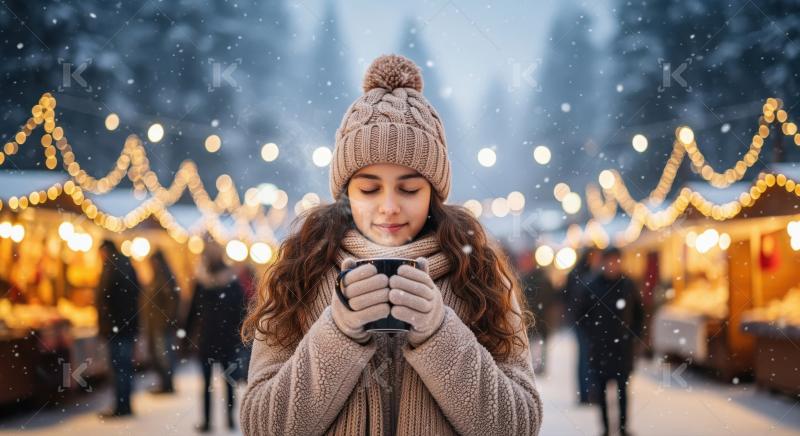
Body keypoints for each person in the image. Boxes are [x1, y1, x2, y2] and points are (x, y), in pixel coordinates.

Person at [239, 54, 543, 435]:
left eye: (409, 188)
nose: (388, 206)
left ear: (433, 192)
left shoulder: (478, 273)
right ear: (345, 192)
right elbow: (263, 425)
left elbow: (517, 425)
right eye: (369, 188)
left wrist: (438, 331)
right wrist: (338, 333)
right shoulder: (300, 272)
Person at [578, 247, 644, 436]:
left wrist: (634, 335)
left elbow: (640, 313)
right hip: (600, 349)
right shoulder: (593, 285)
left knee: (623, 390)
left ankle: (623, 428)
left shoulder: (628, 285)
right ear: (603, 262)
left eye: (616, 261)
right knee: (602, 392)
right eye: (609, 261)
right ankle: (606, 429)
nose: (612, 265)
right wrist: (592, 335)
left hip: (623, 348)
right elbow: (581, 315)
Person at [185, 240, 246, 433]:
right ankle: (229, 419)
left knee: (206, 384)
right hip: (227, 339)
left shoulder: (201, 282)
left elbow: (192, 313)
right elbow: (242, 311)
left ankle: (207, 421)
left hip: (208, 339)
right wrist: (241, 334)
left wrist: (186, 336)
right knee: (228, 381)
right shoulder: (232, 281)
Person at [96, 239, 141, 418]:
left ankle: (122, 406)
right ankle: (125, 404)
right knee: (124, 367)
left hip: (118, 328)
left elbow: (108, 300)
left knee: (120, 368)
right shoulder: (125, 265)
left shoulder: (112, 268)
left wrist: (109, 325)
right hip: (124, 327)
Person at [565, 247, 601, 404]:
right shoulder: (587, 275)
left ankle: (588, 393)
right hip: (584, 321)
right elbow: (575, 299)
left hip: (585, 321)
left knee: (587, 358)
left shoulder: (579, 273)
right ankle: (587, 394)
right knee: (587, 358)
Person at [144, 249, 179, 394]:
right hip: (156, 324)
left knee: (164, 356)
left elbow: (172, 301)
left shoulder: (164, 278)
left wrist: (166, 320)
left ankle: (167, 384)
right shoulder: (158, 277)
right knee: (160, 355)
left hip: (162, 325)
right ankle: (164, 383)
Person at [521, 258, 556, 374]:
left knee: (535, 343)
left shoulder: (527, 280)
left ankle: (537, 367)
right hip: (540, 318)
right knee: (538, 343)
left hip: (536, 318)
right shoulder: (543, 279)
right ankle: (539, 367)